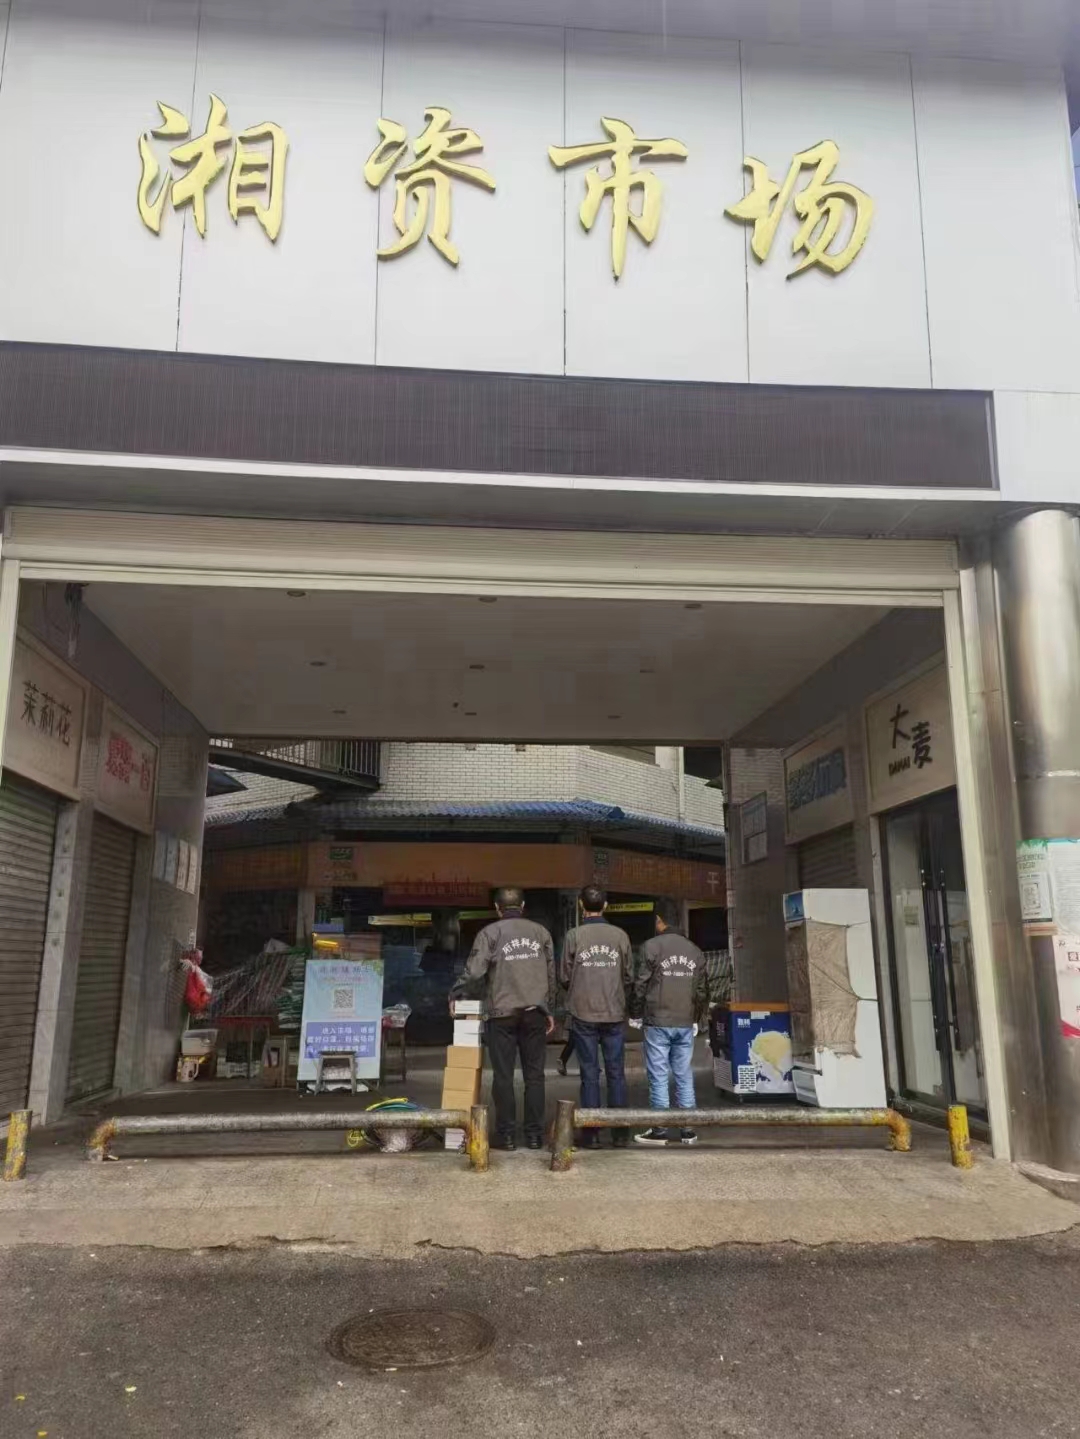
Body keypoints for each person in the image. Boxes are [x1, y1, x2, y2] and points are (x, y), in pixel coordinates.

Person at [451, 886, 555, 1151]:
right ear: (522, 906)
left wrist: (456, 993)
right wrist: (549, 1009)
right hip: (534, 1013)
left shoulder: (490, 933)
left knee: (503, 1076)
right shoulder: (541, 933)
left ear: (497, 908)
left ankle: (506, 1136)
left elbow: (475, 972)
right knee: (535, 1077)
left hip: (500, 1016)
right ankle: (534, 1136)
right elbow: (550, 975)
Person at [631, 897, 710, 1147]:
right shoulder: (694, 950)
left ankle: (660, 1130)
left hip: (658, 1020)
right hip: (685, 1021)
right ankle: (688, 1130)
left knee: (659, 1076)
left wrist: (635, 1013)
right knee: (684, 1074)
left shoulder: (651, 947)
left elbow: (641, 984)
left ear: (659, 920)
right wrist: (696, 1018)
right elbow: (701, 990)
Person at [560, 885, 634, 1148]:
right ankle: (620, 1134)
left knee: (589, 1073)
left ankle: (591, 1135)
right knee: (616, 1073)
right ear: (605, 905)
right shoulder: (620, 935)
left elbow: (564, 976)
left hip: (584, 1013)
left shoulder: (574, 936)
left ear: (581, 905)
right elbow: (629, 976)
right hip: (613, 1012)